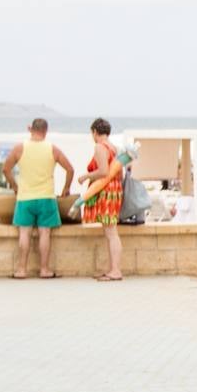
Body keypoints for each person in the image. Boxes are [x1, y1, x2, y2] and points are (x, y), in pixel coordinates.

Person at [1, 117, 74, 278]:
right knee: (45, 233)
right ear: (46, 131)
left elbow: (6, 169)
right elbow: (70, 169)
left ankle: (21, 270)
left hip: (24, 198)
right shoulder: (52, 149)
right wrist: (66, 188)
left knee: (24, 234)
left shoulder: (19, 148)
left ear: (30, 129)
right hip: (46, 197)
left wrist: (14, 186)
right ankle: (44, 269)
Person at [78, 117, 125, 280]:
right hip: (115, 189)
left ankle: (116, 271)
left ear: (95, 132)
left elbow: (103, 172)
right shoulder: (114, 147)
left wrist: (86, 176)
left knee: (111, 232)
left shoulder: (100, 147)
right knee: (110, 231)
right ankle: (112, 268)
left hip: (106, 190)